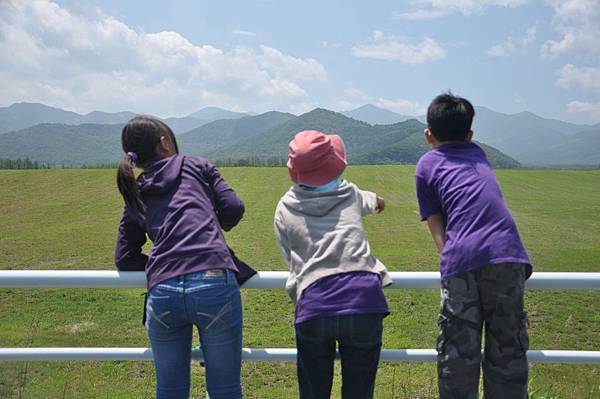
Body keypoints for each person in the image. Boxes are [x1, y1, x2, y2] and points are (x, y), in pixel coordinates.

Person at [114, 115, 248, 399]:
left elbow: (125, 256)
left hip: (163, 291)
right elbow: (233, 209)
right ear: (165, 143)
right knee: (225, 390)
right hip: (214, 282)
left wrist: (163, 263)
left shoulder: (137, 188)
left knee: (170, 391)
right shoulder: (197, 165)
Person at [415, 93, 532, 399]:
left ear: (428, 135)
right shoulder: (478, 153)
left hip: (464, 259)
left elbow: (435, 220)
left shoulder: (427, 164)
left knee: (458, 350)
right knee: (508, 348)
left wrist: (448, 256)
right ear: (469, 135)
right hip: (509, 252)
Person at [274, 130, 392, 399]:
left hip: (314, 304)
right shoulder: (350, 193)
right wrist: (379, 202)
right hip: (364, 301)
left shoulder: (284, 206)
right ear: (338, 165)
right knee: (359, 391)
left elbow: (289, 256)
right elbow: (377, 202)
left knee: (314, 391)